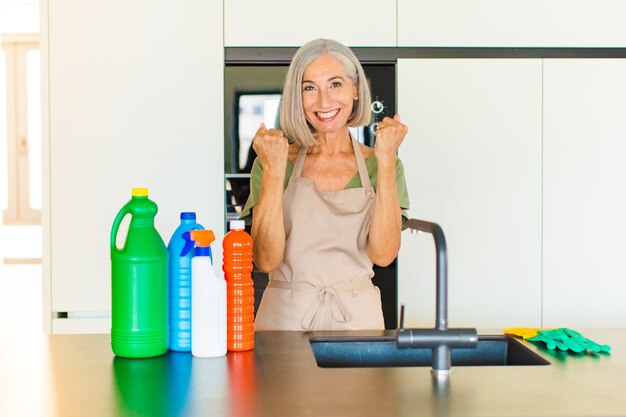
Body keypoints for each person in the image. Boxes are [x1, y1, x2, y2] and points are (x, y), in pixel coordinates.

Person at [239, 38, 410, 331]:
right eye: (309, 88)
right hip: (284, 322)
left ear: (355, 89)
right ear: (297, 97)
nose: (324, 102)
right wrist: (275, 169)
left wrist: (386, 159)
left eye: (335, 84)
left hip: (358, 321)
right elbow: (265, 261)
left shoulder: (382, 164)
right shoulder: (273, 160)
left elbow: (383, 255)